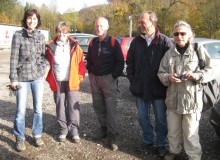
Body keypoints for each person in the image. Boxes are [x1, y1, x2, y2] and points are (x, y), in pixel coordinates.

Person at [158, 21, 213, 160]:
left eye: (183, 33)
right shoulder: (169, 53)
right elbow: (160, 72)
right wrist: (168, 77)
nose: (179, 36)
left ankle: (193, 156)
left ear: (189, 35)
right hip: (173, 101)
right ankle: (174, 151)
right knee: (173, 131)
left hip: (191, 102)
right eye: (176, 34)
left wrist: (196, 75)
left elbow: (210, 70)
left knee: (190, 133)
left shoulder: (197, 49)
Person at [126, 11, 173, 157]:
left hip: (159, 89)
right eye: (140, 22)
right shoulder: (136, 41)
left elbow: (172, 65)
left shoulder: (165, 42)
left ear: (153, 23)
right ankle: (147, 140)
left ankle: (161, 144)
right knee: (142, 117)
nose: (140, 24)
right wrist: (132, 80)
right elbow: (130, 62)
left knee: (161, 119)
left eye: (143, 22)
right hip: (140, 87)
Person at [9, 8, 50, 152]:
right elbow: (13, 59)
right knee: (20, 110)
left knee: (38, 109)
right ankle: (19, 138)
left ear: (38, 21)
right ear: (25, 19)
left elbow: (44, 57)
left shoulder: (41, 36)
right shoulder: (18, 35)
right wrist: (13, 79)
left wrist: (44, 68)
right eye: (29, 18)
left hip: (37, 78)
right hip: (22, 78)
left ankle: (37, 134)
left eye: (34, 19)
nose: (31, 21)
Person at [86, 17, 124, 151]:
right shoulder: (92, 43)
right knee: (98, 106)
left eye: (101, 26)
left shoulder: (113, 42)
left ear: (107, 27)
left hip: (109, 79)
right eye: (97, 25)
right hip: (94, 79)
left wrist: (113, 76)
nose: (98, 28)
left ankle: (113, 135)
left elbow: (120, 62)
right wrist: (90, 73)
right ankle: (103, 130)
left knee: (110, 108)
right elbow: (88, 59)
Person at [46, 22, 86, 143]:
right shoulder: (51, 46)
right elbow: (47, 63)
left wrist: (79, 77)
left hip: (72, 81)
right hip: (58, 81)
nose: (61, 34)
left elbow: (81, 65)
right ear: (56, 32)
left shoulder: (75, 46)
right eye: (59, 31)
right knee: (60, 107)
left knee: (73, 107)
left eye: (64, 31)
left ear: (68, 32)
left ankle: (74, 131)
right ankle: (63, 130)